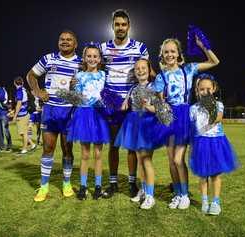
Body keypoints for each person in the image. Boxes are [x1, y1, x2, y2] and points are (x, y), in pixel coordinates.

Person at [153, 37, 220, 209]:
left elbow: (214, 61)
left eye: (172, 51)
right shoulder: (160, 77)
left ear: (178, 53)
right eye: (166, 51)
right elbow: (161, 102)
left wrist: (203, 45)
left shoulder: (188, 70)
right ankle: (178, 193)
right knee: (171, 161)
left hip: (183, 116)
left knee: (178, 159)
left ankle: (185, 195)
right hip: (169, 118)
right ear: (162, 54)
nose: (169, 54)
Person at [101, 9, 151, 198]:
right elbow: (93, 68)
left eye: (123, 24)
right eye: (117, 24)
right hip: (112, 105)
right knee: (113, 145)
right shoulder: (103, 47)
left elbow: (148, 70)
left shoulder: (139, 47)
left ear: (129, 26)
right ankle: (113, 184)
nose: (120, 27)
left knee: (132, 146)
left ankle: (132, 184)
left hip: (132, 104)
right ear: (112, 26)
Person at [27, 29, 81, 202]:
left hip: (69, 111)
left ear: (75, 44)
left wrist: (77, 87)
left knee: (68, 149)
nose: (65, 42)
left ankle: (66, 183)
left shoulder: (81, 63)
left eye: (69, 39)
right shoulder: (49, 58)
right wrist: (37, 91)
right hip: (50, 109)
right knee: (48, 148)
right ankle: (43, 187)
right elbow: (31, 75)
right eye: (62, 39)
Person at [115, 59, 170, 209]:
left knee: (146, 160)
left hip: (147, 125)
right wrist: (124, 104)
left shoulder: (154, 87)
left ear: (149, 69)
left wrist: (148, 106)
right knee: (140, 160)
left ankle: (150, 196)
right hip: (134, 125)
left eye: (143, 68)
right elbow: (127, 103)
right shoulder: (133, 88)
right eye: (137, 68)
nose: (140, 70)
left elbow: (160, 108)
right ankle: (144, 190)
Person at [189, 73, 239, 215]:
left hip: (217, 142)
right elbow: (192, 128)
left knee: (216, 174)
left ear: (214, 88)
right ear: (197, 91)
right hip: (201, 143)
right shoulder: (193, 108)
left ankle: (215, 202)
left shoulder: (218, 105)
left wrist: (209, 107)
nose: (205, 92)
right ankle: (205, 200)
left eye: (208, 89)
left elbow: (218, 118)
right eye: (202, 89)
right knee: (203, 175)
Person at [67, 45, 110, 200]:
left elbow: (106, 94)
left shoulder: (104, 75)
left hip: (98, 115)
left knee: (98, 154)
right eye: (89, 56)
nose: (92, 59)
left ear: (99, 59)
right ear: (84, 58)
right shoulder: (79, 76)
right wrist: (71, 89)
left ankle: (98, 187)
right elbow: (76, 96)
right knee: (85, 154)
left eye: (95, 56)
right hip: (84, 114)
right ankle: (83, 187)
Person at [12, 77, 37, 155]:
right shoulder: (24, 89)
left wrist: (15, 115)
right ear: (22, 83)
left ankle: (24, 149)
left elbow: (19, 104)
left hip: (22, 115)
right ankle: (32, 144)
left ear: (14, 83)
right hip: (25, 113)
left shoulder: (19, 91)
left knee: (23, 133)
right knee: (23, 132)